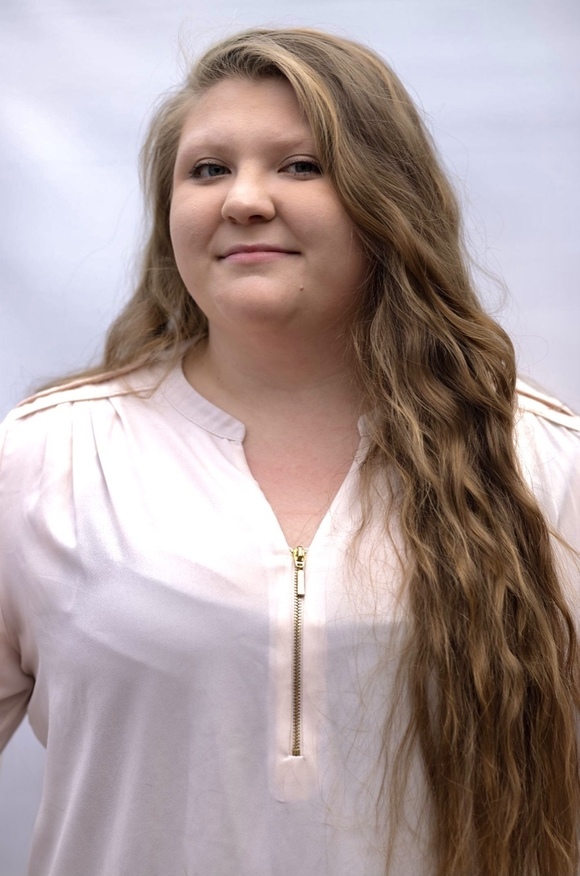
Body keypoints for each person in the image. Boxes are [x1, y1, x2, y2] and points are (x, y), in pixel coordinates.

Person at [1, 26, 579, 876]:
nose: (243, 199)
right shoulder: (44, 460)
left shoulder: (541, 466)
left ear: (389, 201)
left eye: (300, 166)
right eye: (208, 170)